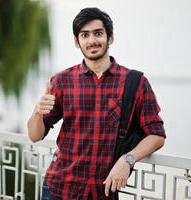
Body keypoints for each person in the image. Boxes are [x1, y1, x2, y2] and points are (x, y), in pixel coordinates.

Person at [27, 7, 166, 200]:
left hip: (102, 192)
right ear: (77, 41)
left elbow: (157, 135)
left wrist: (128, 160)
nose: (92, 40)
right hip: (59, 189)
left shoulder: (135, 82)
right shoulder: (62, 81)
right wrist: (36, 111)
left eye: (98, 33)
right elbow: (35, 136)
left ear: (110, 38)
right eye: (85, 35)